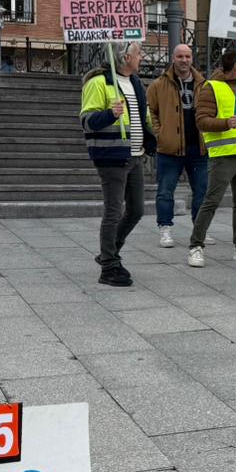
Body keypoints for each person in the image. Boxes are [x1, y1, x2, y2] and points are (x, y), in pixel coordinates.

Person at [79, 41, 151, 287]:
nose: (141, 57)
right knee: (113, 211)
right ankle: (109, 266)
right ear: (125, 57)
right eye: (138, 53)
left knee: (137, 210)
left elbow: (144, 116)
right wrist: (110, 114)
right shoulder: (98, 83)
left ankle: (109, 252)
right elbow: (87, 121)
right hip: (112, 156)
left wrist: (150, 137)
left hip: (135, 155)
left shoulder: (136, 83)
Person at [187, 46, 236, 268]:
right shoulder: (211, 88)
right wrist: (224, 123)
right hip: (224, 155)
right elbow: (201, 120)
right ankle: (195, 246)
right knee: (211, 201)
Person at [146, 43, 208, 249]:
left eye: (187, 56)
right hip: (170, 148)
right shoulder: (158, 84)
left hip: (198, 148)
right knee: (165, 191)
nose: (184, 60)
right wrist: (160, 133)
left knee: (202, 191)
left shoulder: (203, 84)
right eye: (180, 56)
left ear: (192, 59)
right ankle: (165, 228)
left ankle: (199, 230)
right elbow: (151, 112)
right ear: (173, 58)